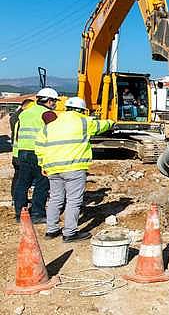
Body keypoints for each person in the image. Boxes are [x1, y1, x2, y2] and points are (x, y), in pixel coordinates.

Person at [35, 97, 114, 242]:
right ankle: (70, 233)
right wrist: (112, 121)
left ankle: (51, 230)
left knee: (55, 198)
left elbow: (39, 146)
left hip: (52, 167)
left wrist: (42, 164)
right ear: (82, 110)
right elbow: (100, 126)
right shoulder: (84, 121)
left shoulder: (51, 125)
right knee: (73, 200)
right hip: (74, 167)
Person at [12, 88, 58, 224]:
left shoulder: (24, 113)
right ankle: (37, 213)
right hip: (38, 152)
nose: (54, 104)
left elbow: (17, 133)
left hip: (22, 152)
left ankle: (20, 213)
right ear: (49, 101)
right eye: (54, 101)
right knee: (42, 183)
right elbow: (52, 134)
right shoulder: (47, 114)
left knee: (22, 183)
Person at [10, 98, 34, 195]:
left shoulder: (16, 116)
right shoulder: (21, 117)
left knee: (18, 177)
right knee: (21, 179)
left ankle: (15, 198)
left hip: (17, 152)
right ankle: (18, 199)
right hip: (22, 152)